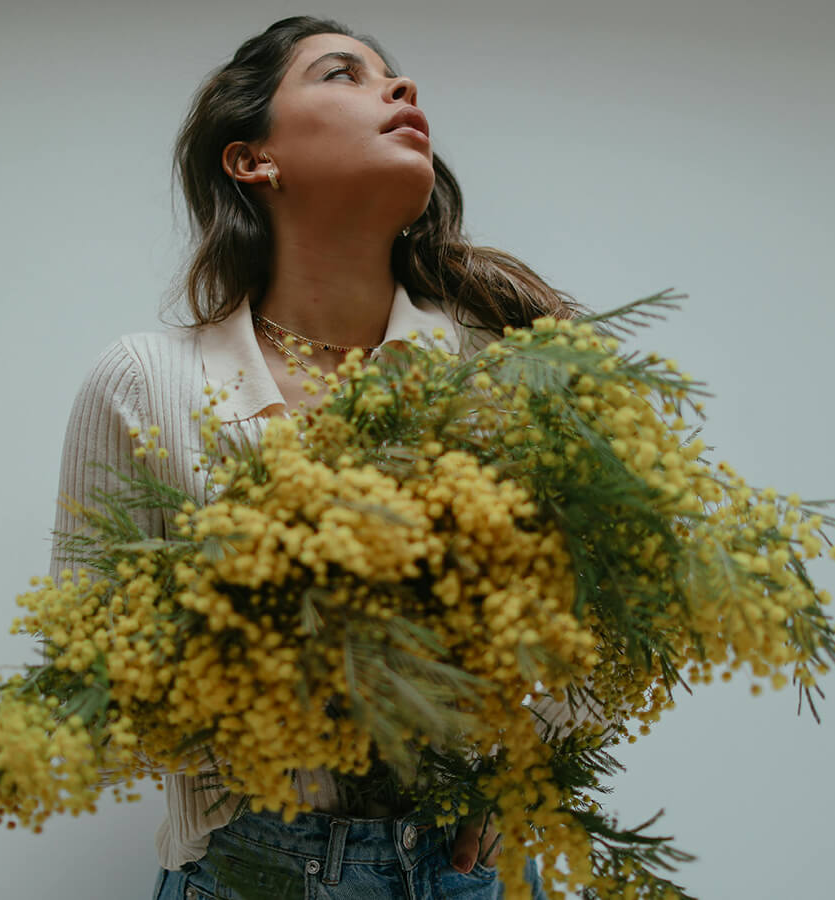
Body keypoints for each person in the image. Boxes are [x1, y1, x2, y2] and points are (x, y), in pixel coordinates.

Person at [49, 16, 583, 899]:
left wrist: (509, 787)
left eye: (398, 77)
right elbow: (88, 670)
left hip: (469, 873)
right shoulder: (146, 384)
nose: (402, 90)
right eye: (345, 74)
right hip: (251, 865)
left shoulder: (502, 364)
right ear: (253, 160)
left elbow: (595, 626)